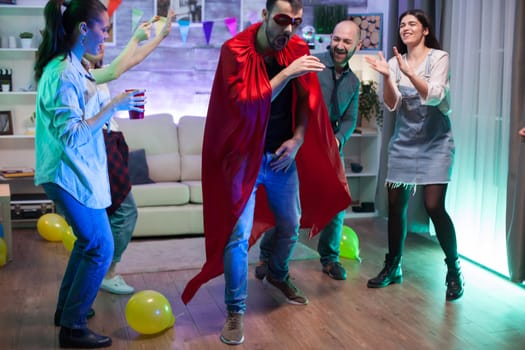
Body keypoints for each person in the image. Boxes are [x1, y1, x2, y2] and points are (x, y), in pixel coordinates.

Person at [180, 0, 351, 345]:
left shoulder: (296, 49)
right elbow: (245, 104)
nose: (289, 29)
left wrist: (299, 138)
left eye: (296, 22)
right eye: (282, 20)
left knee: (290, 224)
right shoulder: (235, 51)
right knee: (236, 237)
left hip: (280, 159)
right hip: (241, 160)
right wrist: (288, 72)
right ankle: (235, 310)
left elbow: (307, 100)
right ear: (264, 16)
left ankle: (276, 274)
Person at [34, 1, 145, 347]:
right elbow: (73, 135)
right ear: (84, 29)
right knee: (100, 245)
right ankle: (73, 328)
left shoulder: (73, 67)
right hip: (66, 175)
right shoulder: (64, 73)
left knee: (89, 243)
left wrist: (115, 103)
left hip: (74, 173)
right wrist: (113, 106)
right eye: (104, 29)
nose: (106, 37)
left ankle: (67, 313)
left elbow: (107, 78)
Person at [364, 9, 464, 301]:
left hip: (436, 143)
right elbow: (392, 104)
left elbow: (434, 97)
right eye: (402, 24)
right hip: (404, 145)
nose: (405, 28)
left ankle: (453, 269)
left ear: (425, 30)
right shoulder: (395, 62)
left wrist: (408, 72)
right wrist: (387, 76)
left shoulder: (439, 58)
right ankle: (393, 266)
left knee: (434, 207)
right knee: (396, 207)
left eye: (412, 24)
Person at [255, 20, 362, 281]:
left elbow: (350, 119)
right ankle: (266, 256)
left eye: (347, 42)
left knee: (337, 200)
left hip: (331, 147)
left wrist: (337, 140)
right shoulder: (310, 63)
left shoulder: (355, 82)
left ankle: (330, 259)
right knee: (283, 205)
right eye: (336, 39)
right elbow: (295, 101)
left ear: (357, 46)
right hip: (300, 143)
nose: (339, 45)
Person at [83, 11, 174, 295]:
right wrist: (141, 37)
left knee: (118, 213)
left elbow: (128, 61)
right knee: (126, 212)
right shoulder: (81, 75)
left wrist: (158, 37)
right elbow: (121, 66)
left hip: (111, 145)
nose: (102, 44)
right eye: (100, 36)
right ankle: (106, 272)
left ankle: (102, 272)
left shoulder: (93, 75)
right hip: (101, 147)